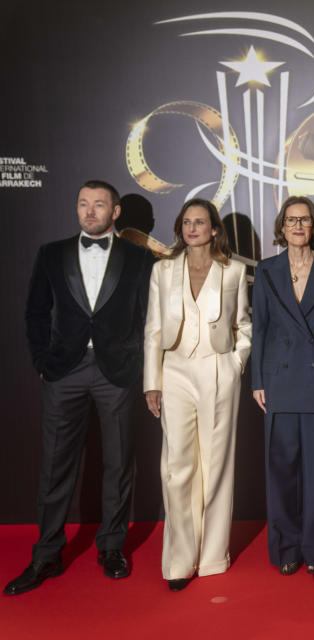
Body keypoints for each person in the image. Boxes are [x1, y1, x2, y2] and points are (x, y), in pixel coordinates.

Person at [5, 180, 155, 595]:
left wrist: (137, 365)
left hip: (117, 374)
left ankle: (111, 547)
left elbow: (148, 319)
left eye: (99, 205)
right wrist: (42, 362)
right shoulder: (51, 254)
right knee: (54, 465)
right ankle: (46, 553)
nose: (90, 212)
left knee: (119, 463)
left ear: (116, 211)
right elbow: (35, 312)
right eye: (83, 204)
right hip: (64, 372)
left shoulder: (140, 259)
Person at [143, 198, 251, 591]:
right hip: (173, 370)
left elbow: (243, 326)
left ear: (214, 229)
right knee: (176, 466)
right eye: (186, 222)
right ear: (180, 228)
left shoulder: (233, 270)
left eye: (200, 222)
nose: (192, 228)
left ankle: (212, 557)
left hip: (217, 368)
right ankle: (178, 560)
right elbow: (153, 329)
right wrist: (151, 382)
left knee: (217, 464)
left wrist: (235, 365)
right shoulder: (162, 270)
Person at [251, 196, 314, 578]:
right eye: (291, 220)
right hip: (278, 379)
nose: (297, 226)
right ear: (282, 226)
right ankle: (286, 547)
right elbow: (259, 327)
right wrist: (258, 380)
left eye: (304, 220)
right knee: (281, 471)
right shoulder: (267, 270)